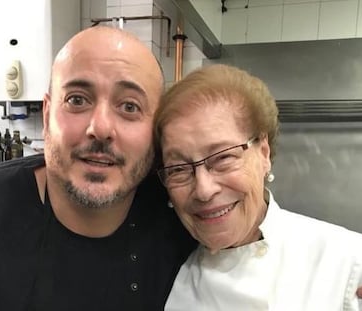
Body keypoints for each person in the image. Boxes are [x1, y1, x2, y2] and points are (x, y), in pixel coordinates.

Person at [0, 26, 195, 310]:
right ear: (47, 113)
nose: (100, 128)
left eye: (129, 106)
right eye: (77, 100)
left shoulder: (180, 218)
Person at [153, 63, 362, 310]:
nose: (204, 190)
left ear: (264, 153)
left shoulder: (345, 262)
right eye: (179, 169)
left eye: (223, 158)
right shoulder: (164, 275)